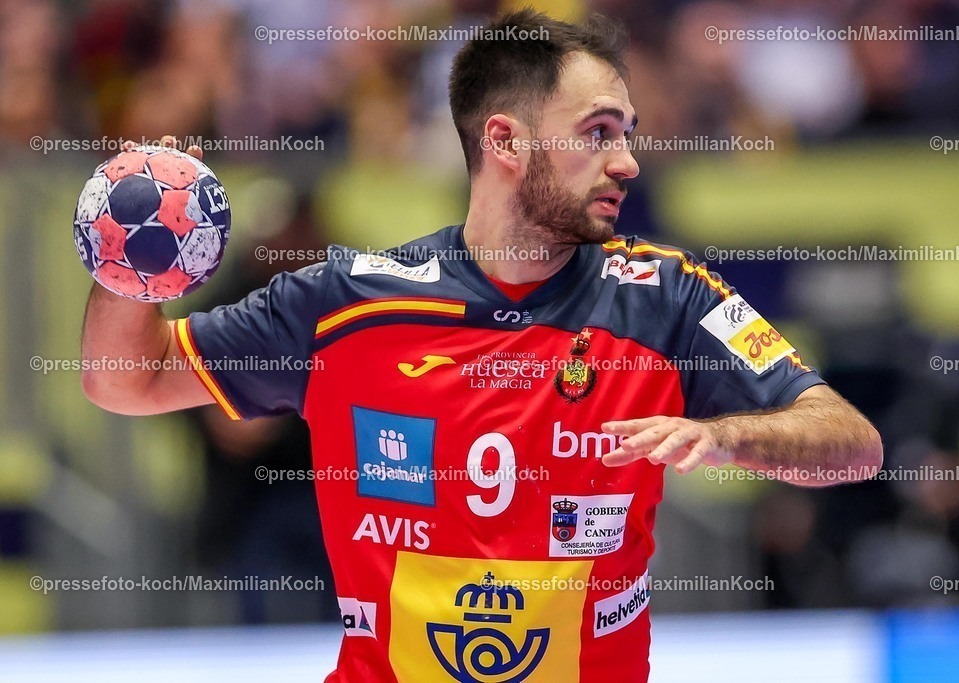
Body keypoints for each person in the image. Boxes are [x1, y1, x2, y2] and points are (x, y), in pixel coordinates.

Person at [81, 10, 883, 683]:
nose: (627, 160)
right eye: (598, 132)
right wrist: (128, 252)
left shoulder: (666, 297)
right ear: (505, 140)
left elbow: (854, 444)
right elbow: (130, 379)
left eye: (628, 132)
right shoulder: (345, 302)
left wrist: (726, 433)